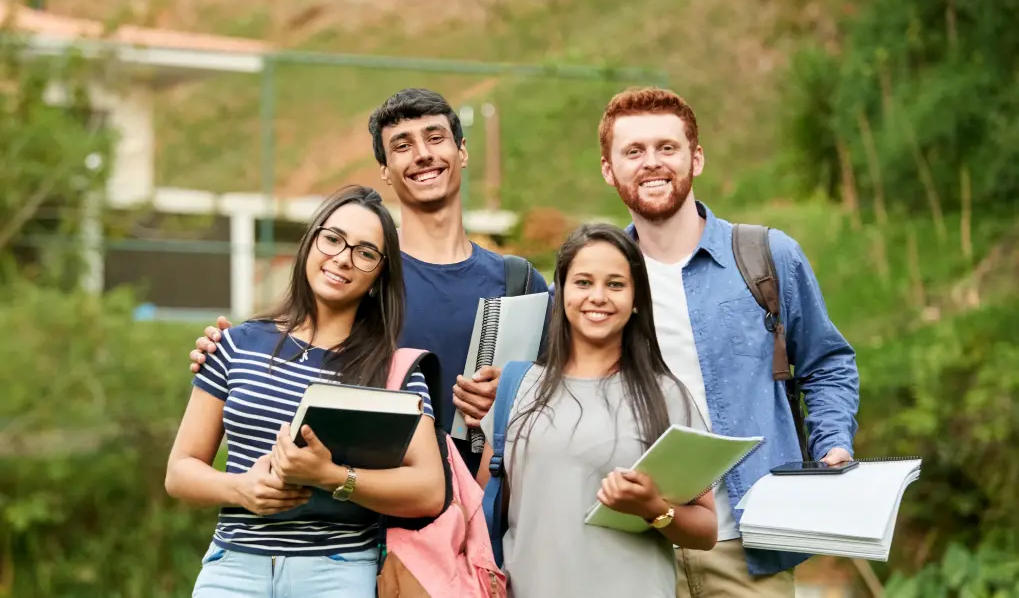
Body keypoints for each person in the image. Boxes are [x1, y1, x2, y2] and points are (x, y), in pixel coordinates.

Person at [188, 88, 549, 477]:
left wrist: (514, 394)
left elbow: (565, 393)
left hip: (488, 516)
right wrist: (228, 350)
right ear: (385, 170)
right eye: (402, 145)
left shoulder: (519, 281)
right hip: (373, 517)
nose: (423, 154)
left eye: (435, 138)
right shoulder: (361, 273)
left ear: (461, 151)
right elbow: (293, 350)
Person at [596, 86, 860, 597]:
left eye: (667, 148)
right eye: (633, 151)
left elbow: (826, 365)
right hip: (632, 547)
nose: (652, 163)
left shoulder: (766, 257)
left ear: (696, 157)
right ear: (609, 169)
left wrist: (832, 443)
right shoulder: (593, 278)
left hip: (748, 544)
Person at [165, 185, 445, 598]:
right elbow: (180, 471)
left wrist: (331, 477)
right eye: (333, 238)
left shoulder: (393, 371)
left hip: (338, 571)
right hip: (233, 568)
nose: (343, 258)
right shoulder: (237, 343)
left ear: (379, 277)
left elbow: (429, 491)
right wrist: (241, 489)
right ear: (310, 242)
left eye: (365, 253)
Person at [475, 223, 717, 598]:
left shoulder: (666, 395)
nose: (598, 297)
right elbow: (481, 516)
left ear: (636, 298)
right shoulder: (516, 387)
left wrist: (655, 508)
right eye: (583, 282)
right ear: (562, 291)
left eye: (616, 284)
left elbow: (706, 530)